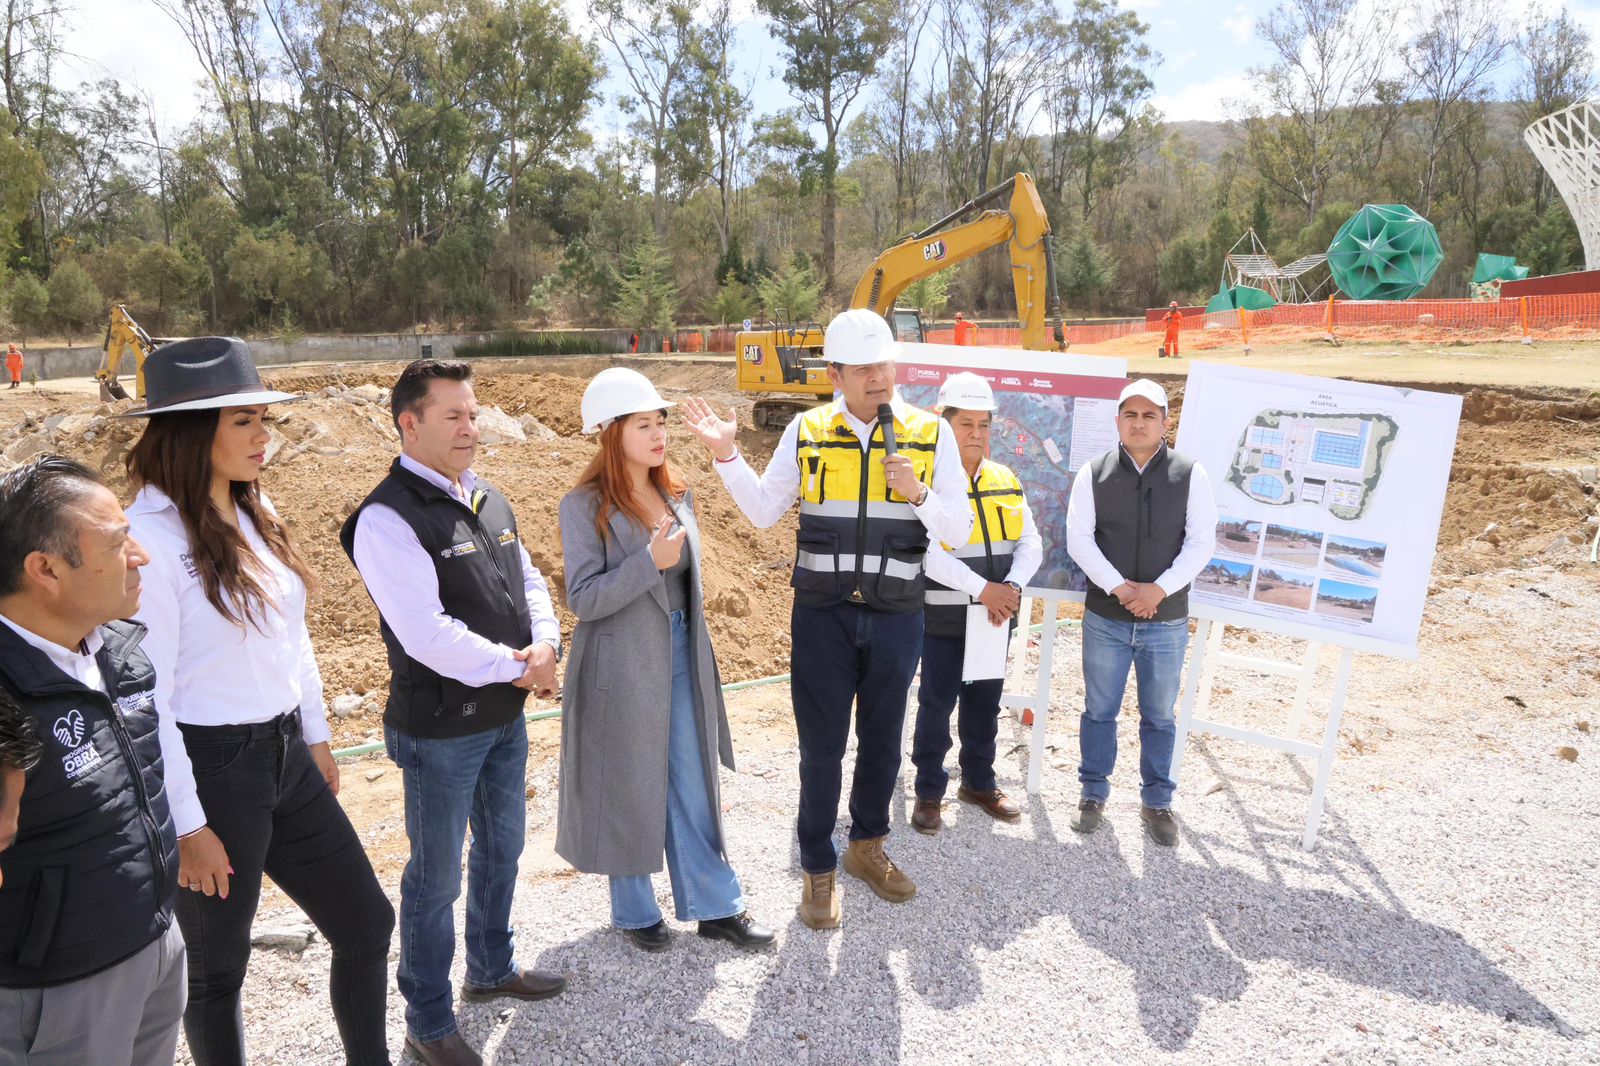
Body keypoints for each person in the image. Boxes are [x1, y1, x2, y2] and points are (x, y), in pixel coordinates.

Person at [124, 337, 394, 1066]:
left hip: (283, 758)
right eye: (243, 421)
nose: (263, 434)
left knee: (367, 924)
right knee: (216, 976)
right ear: (190, 431)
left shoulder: (253, 509)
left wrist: (315, 733)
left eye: (261, 418)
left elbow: (291, 633)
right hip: (211, 772)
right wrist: (188, 826)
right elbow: (149, 701)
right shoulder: (147, 542)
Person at [681, 308, 972, 929]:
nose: (878, 378)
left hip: (898, 616)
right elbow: (763, 511)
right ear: (836, 374)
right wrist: (728, 456)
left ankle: (867, 846)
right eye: (863, 369)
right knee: (821, 748)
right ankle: (818, 865)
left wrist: (918, 493)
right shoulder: (808, 430)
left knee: (882, 741)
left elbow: (960, 528)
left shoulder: (930, 434)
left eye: (884, 366)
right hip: (823, 617)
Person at [341, 358, 565, 1066]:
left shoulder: (488, 498)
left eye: (473, 413)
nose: (472, 427)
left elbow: (527, 579)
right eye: (454, 416)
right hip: (439, 730)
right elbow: (426, 634)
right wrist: (521, 668)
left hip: (503, 715)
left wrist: (547, 643)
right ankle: (428, 1020)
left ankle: (492, 970)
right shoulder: (386, 519)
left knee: (504, 850)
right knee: (435, 878)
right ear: (409, 423)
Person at [556, 368, 774, 954]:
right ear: (611, 433)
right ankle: (633, 912)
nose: (658, 435)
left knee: (693, 776)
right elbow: (582, 598)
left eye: (660, 422)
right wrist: (645, 564)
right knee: (627, 780)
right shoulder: (583, 506)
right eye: (643, 424)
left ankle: (715, 905)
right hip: (618, 664)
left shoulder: (679, 491)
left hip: (681, 651)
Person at [0, 455, 187, 1066]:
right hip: (58, 990)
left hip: (153, 942)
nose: (142, 556)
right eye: (118, 542)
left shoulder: (117, 649)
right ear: (45, 570)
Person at [1064, 379, 1216, 846]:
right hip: (1106, 618)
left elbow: (1200, 543)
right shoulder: (1094, 473)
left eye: (1149, 415)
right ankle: (1092, 794)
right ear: (1118, 421)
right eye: (1130, 415)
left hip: (1165, 620)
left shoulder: (1191, 474)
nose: (1139, 423)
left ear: (1165, 423)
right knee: (1099, 710)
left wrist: (1158, 591)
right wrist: (1120, 589)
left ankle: (1158, 801)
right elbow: (1079, 539)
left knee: (1159, 716)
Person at [909, 372, 1042, 835]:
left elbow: (1031, 542)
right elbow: (925, 555)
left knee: (984, 704)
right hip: (943, 617)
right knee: (936, 704)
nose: (976, 434)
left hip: (993, 616)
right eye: (965, 424)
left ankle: (979, 782)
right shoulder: (923, 483)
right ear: (941, 424)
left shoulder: (1005, 478)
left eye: (983, 425)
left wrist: (1010, 589)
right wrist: (983, 589)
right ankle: (929, 791)